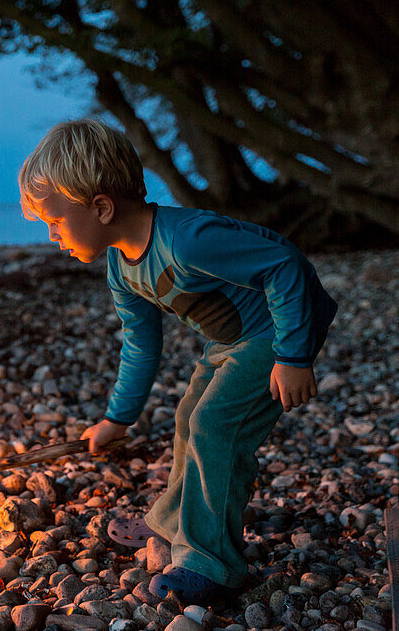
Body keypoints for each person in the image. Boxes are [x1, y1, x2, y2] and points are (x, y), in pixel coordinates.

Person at [18, 119, 337, 605]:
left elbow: (284, 264)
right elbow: (141, 344)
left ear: (101, 208)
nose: (52, 236)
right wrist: (117, 418)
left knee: (215, 425)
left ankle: (212, 563)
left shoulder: (187, 239)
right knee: (189, 417)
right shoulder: (121, 267)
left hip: (274, 332)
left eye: (55, 221)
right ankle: (173, 526)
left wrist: (294, 355)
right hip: (229, 342)